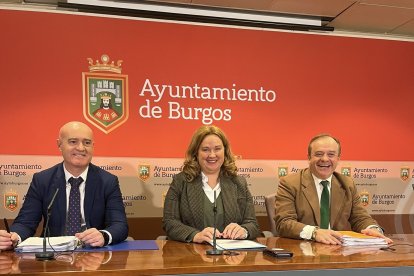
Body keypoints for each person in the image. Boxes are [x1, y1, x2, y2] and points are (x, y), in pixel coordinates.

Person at [0, 121, 128, 250]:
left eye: (87, 143)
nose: (81, 148)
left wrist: (103, 235)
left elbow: (119, 225)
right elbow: (26, 222)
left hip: (93, 252)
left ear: (93, 146)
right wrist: (13, 237)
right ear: (59, 145)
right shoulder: (42, 180)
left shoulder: (108, 181)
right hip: (53, 254)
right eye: (73, 142)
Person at [275, 134, 392, 245]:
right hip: (304, 249)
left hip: (338, 251)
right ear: (309, 157)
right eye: (319, 154)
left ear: (338, 158)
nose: (325, 159)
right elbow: (284, 223)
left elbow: (360, 217)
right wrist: (315, 233)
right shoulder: (290, 183)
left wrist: (373, 229)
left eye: (331, 155)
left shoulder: (347, 184)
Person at [162, 125, 260, 243]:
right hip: (192, 255)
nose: (212, 155)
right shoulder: (181, 181)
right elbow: (170, 222)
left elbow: (252, 224)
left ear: (225, 151)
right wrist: (195, 235)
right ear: (196, 153)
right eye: (205, 149)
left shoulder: (238, 183)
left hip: (232, 257)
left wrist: (243, 231)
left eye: (217, 149)